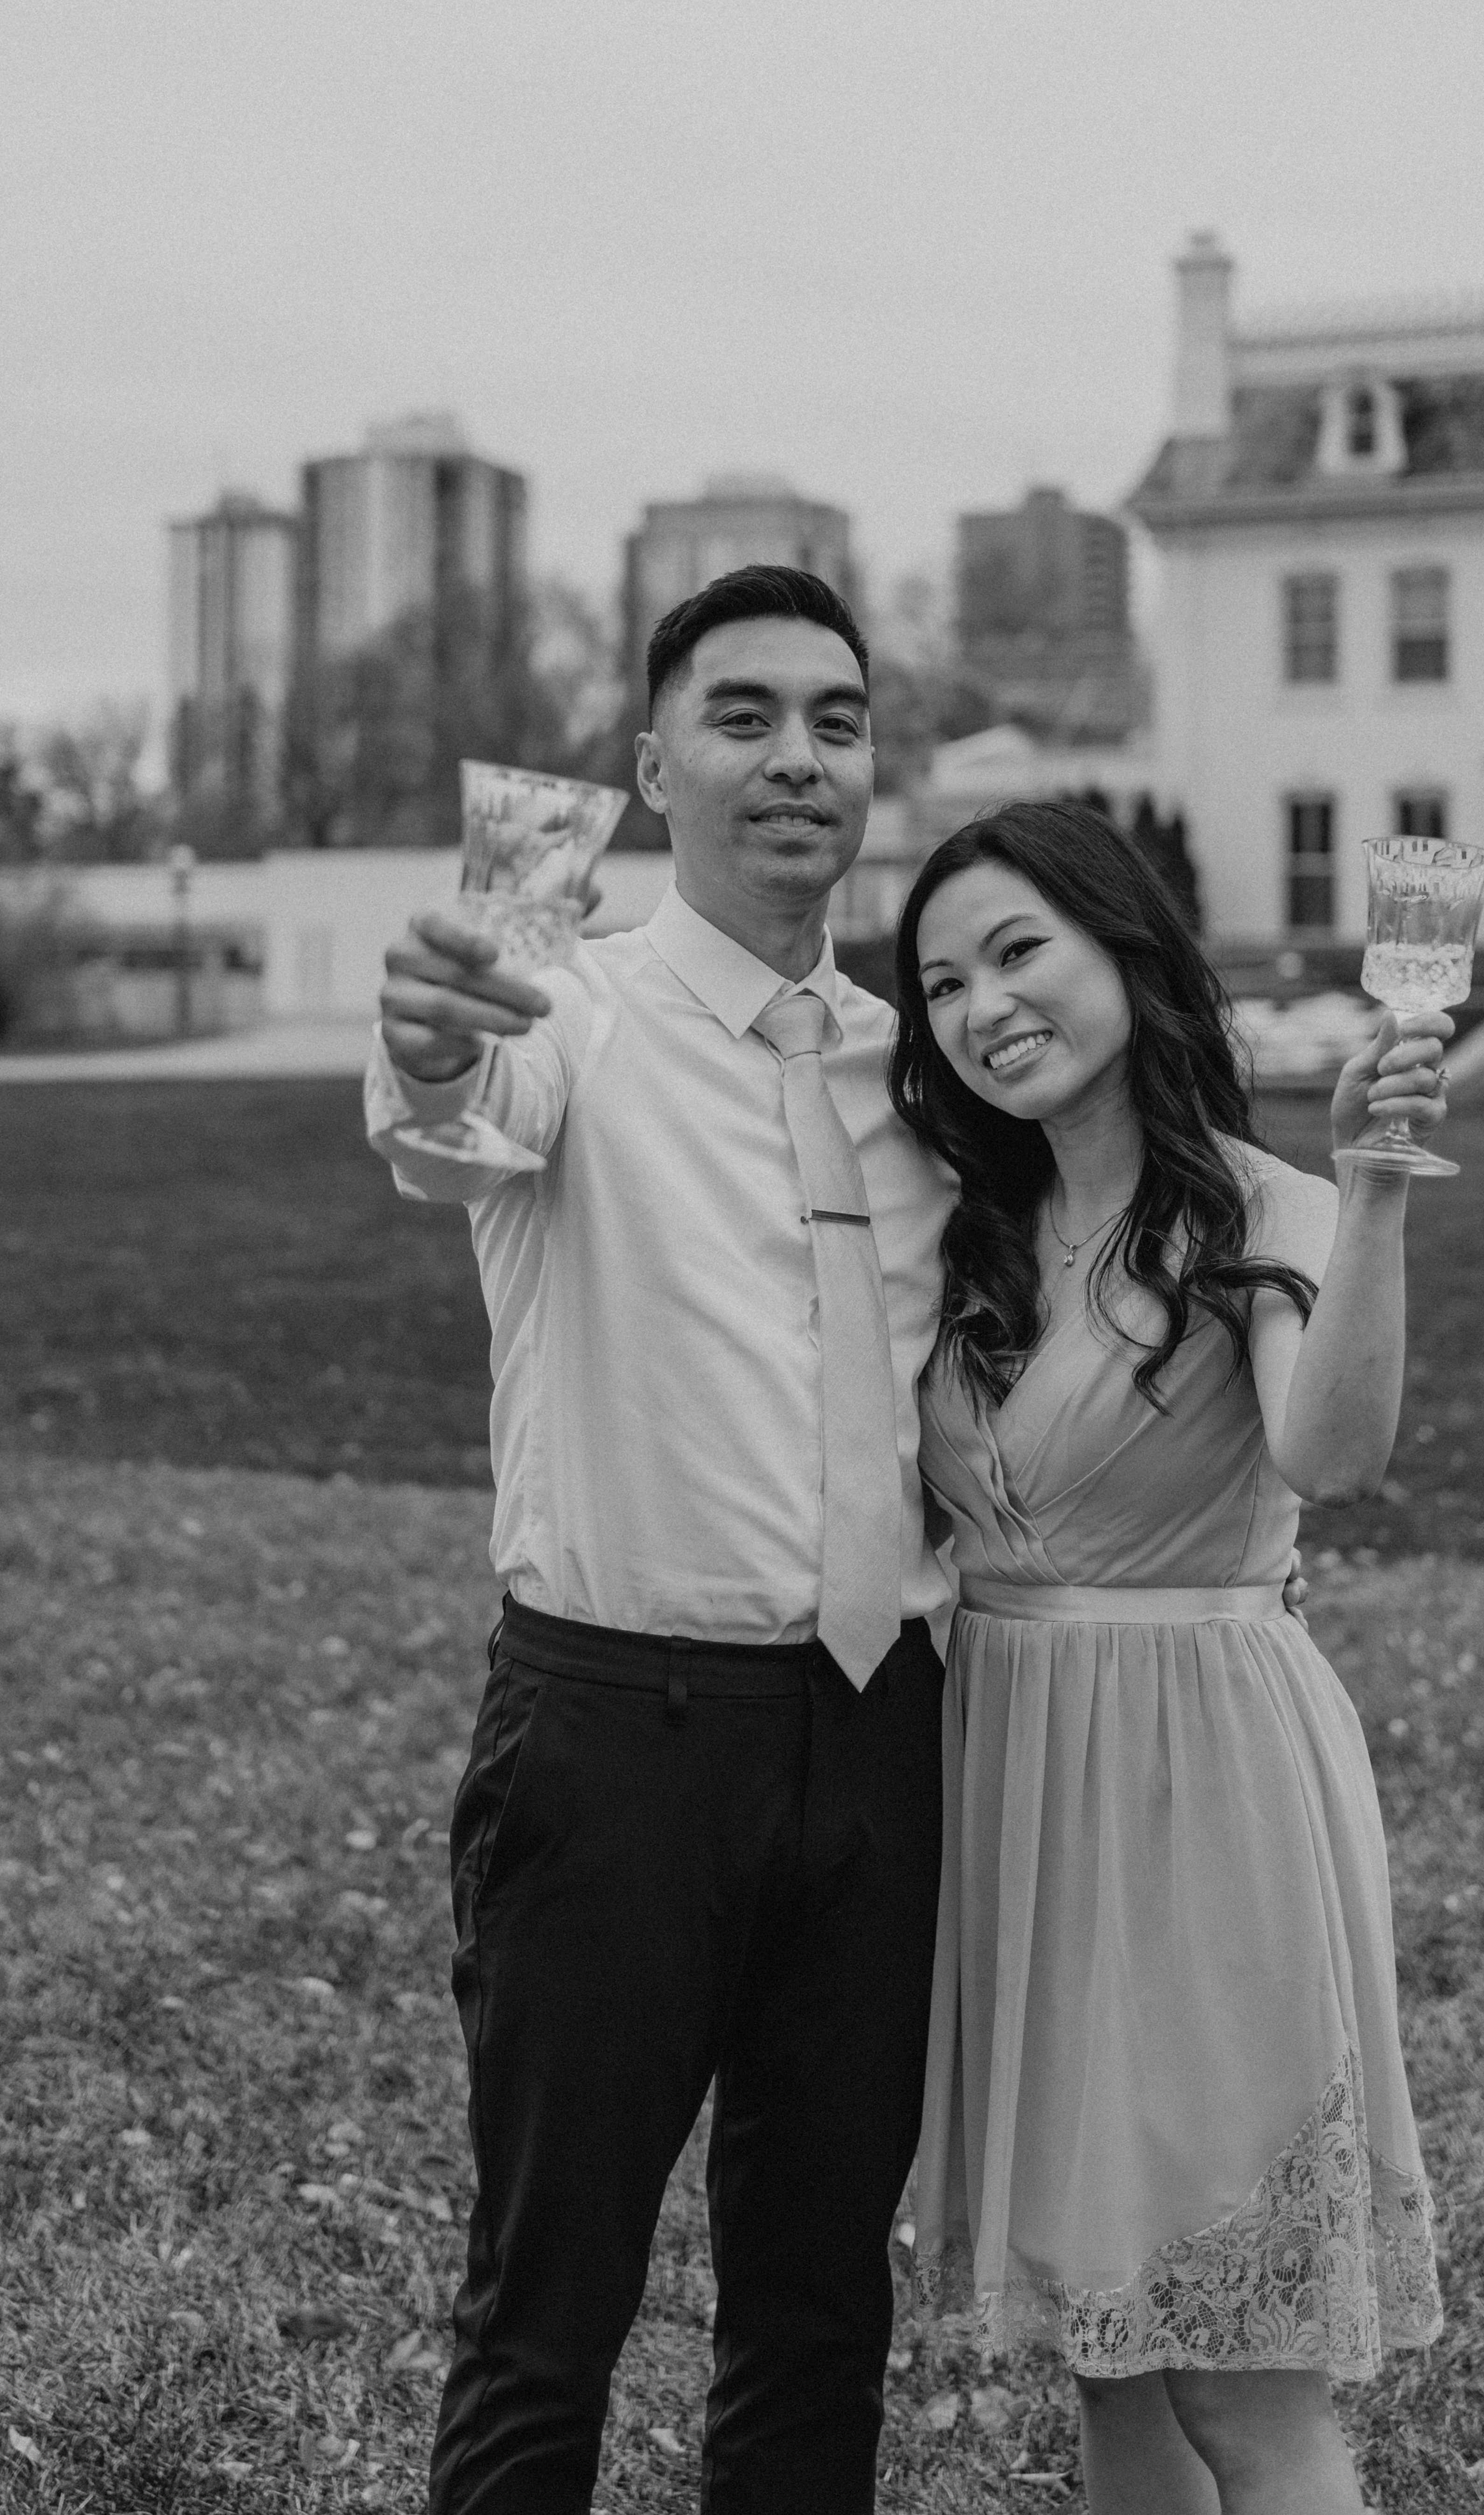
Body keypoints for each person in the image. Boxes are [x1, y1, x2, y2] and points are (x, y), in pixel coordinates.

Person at [365, 565, 957, 2515]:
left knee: (814, 2319)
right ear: (648, 766)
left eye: (836, 720)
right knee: (548, 2309)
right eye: (743, 714)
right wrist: (436, 1033)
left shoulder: (920, 1071)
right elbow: (451, 1109)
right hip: (618, 1741)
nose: (797, 755)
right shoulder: (572, 1012)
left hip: (881, 1738)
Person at [889, 801, 1448, 2515]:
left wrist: (1369, 1194)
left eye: (1017, 952)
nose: (982, 1006)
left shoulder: (1263, 1204)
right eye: (941, 984)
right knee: (1112, 2359)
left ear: (1125, 948)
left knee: (1240, 2377)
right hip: (1013, 1789)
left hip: (1199, 1792)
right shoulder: (964, 1228)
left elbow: (1333, 1456)